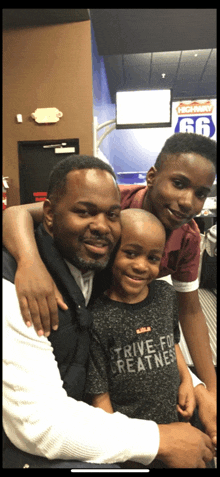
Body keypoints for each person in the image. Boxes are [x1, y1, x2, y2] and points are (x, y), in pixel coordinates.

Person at [2, 155, 215, 469]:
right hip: (32, 440)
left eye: (112, 214)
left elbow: (163, 332)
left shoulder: (102, 264)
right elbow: (38, 425)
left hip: (84, 403)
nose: (101, 226)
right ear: (49, 215)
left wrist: (198, 386)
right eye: (84, 211)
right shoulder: (19, 290)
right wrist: (158, 440)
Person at [86, 208, 208, 468]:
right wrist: (119, 453)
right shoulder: (97, 316)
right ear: (111, 252)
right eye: (130, 253)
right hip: (137, 444)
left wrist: (186, 379)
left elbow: (171, 341)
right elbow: (99, 395)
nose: (141, 266)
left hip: (177, 421)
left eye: (152, 258)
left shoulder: (164, 295)